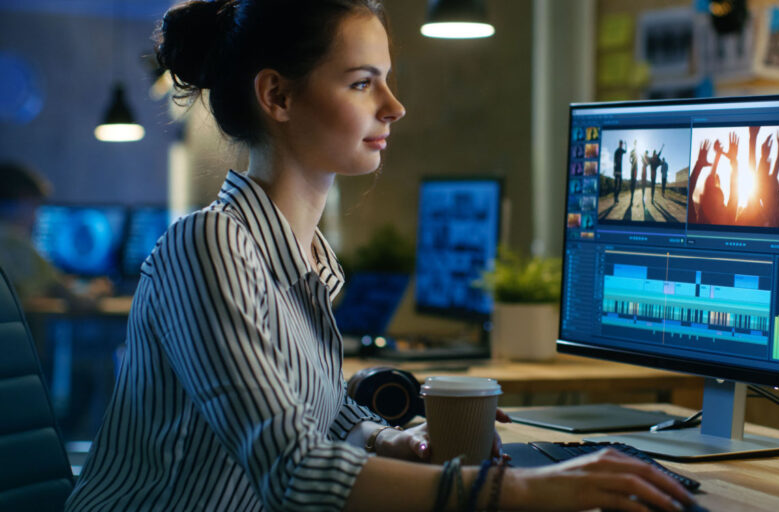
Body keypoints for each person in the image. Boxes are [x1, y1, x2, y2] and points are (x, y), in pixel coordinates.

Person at [64, 1, 696, 511]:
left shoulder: (304, 254)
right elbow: (293, 470)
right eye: (363, 83)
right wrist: (532, 490)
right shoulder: (207, 246)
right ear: (278, 97)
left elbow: (322, 414)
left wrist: (397, 439)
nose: (393, 107)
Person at [0, 161, 110, 307]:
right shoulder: (15, 242)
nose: (36, 218)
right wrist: (99, 290)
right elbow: (78, 302)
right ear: (22, 200)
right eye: (35, 206)